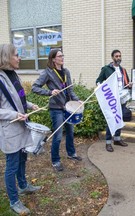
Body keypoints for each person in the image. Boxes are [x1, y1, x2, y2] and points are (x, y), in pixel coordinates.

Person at [0, 44, 41, 215]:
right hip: (10, 129)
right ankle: (14, 201)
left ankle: (23, 185)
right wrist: (14, 114)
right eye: (17, 55)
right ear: (7, 57)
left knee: (23, 159)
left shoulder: (13, 74)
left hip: (22, 125)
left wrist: (29, 105)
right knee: (12, 165)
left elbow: (18, 98)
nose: (20, 58)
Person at [32, 49, 82, 172]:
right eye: (60, 56)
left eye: (62, 55)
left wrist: (77, 100)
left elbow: (70, 90)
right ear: (53, 59)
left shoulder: (66, 71)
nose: (62, 57)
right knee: (58, 136)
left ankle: (71, 153)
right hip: (56, 108)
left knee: (70, 132)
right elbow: (34, 87)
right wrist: (50, 92)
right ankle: (55, 161)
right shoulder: (47, 73)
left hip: (68, 107)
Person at [96, 49, 132, 152]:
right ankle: (108, 142)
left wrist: (129, 85)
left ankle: (117, 139)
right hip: (111, 98)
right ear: (112, 57)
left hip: (121, 98)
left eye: (120, 56)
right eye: (116, 56)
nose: (118, 58)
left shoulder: (123, 70)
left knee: (119, 118)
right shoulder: (106, 69)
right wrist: (101, 87)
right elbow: (98, 81)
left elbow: (126, 83)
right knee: (111, 119)